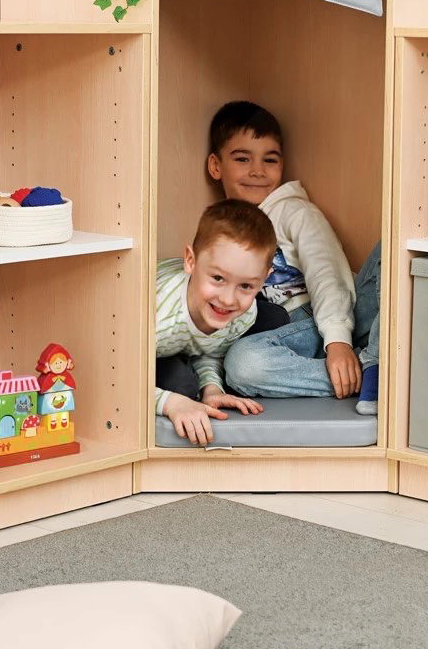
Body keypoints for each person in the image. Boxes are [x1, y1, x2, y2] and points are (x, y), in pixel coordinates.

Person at [206, 101, 381, 415]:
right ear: (216, 166)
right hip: (284, 335)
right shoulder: (222, 227)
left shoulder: (294, 211)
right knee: (243, 366)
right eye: (242, 159)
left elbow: (326, 274)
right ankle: (365, 374)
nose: (257, 171)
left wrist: (338, 341)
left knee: (392, 248)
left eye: (269, 159)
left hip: (327, 315)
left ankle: (363, 366)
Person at [154, 199, 275, 444]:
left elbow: (210, 348)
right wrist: (170, 403)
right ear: (190, 261)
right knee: (182, 389)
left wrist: (212, 389)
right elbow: (112, 374)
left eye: (245, 285)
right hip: (137, 343)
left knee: (274, 318)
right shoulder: (158, 318)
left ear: (264, 279)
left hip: (179, 342)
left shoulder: (244, 313)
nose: (228, 299)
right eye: (218, 278)